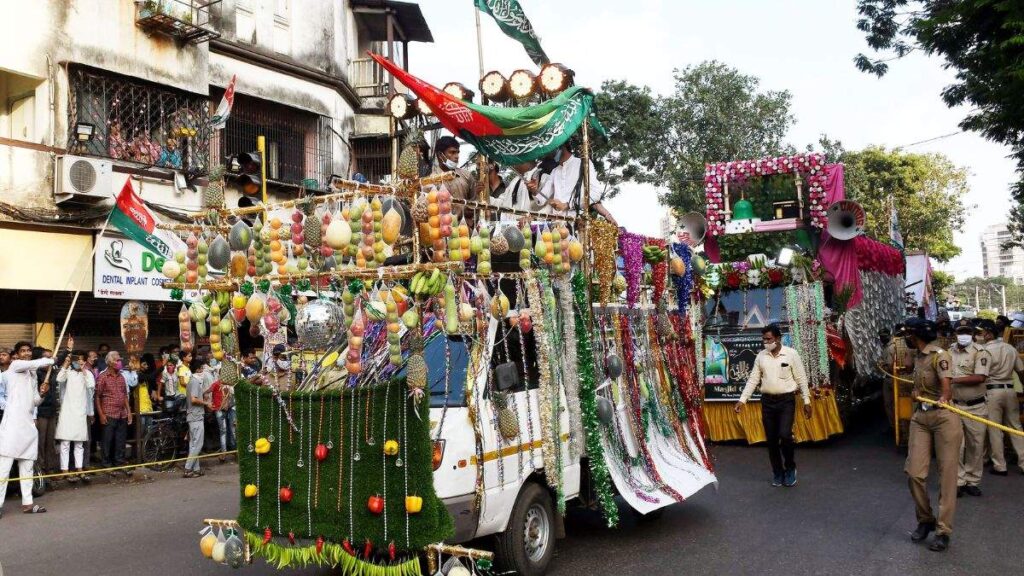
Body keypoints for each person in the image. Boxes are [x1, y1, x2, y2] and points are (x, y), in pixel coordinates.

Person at [902, 317, 960, 552]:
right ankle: (925, 519)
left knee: (946, 476)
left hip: (943, 417)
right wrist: (915, 393)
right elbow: (918, 384)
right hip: (921, 418)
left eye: (908, 333)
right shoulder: (917, 356)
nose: (906, 337)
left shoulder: (940, 355)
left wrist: (944, 397)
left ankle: (943, 530)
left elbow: (946, 385)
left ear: (916, 335)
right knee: (914, 473)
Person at [734, 324, 811, 487]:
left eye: (769, 339)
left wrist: (806, 401)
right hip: (768, 402)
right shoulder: (761, 356)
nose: (766, 342)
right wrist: (742, 400)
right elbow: (753, 379)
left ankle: (790, 468)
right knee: (772, 440)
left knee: (785, 435)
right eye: (764, 339)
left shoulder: (791, 354)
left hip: (786, 401)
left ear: (778, 338)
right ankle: (778, 472)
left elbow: (801, 379)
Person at [0, 341, 54, 517]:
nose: (26, 353)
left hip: (28, 427)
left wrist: (42, 393)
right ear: (17, 354)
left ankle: (28, 503)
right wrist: (54, 359)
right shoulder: (15, 366)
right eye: (22, 351)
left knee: (27, 468)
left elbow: (34, 402)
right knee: (4, 469)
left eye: (28, 351)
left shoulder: (32, 374)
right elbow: (39, 362)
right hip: (12, 426)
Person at [948, 320, 990, 497]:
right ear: (955, 334)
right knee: (956, 446)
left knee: (976, 446)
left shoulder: (981, 352)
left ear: (972, 334)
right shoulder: (948, 352)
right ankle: (958, 481)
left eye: (967, 331)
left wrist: (953, 380)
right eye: (960, 331)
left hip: (976, 407)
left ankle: (972, 481)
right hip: (954, 406)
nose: (963, 335)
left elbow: (980, 377)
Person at [976, 319, 1024, 476]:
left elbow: (980, 375)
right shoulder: (1010, 348)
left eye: (981, 332)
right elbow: (1021, 371)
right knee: (1016, 428)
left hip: (992, 391)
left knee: (994, 429)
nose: (979, 335)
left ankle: (1000, 465)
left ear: (988, 334)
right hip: (1010, 391)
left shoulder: (983, 351)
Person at [535, 143, 618, 225]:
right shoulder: (555, 171)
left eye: (549, 148)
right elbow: (542, 198)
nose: (546, 153)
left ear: (561, 146)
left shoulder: (583, 164)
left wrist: (567, 205)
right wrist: (533, 190)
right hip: (556, 225)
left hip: (577, 225)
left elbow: (594, 194)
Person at [55, 342, 94, 483]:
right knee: (65, 443)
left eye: (82, 359)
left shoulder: (87, 374)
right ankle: (64, 470)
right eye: (77, 359)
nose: (80, 362)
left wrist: (84, 370)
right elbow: (59, 378)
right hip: (67, 411)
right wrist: (65, 364)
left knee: (79, 443)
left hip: (80, 413)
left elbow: (91, 385)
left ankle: (79, 469)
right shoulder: (68, 373)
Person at [94, 351, 133, 476]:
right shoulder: (103, 377)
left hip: (122, 413)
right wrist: (101, 414)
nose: (119, 362)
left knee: (120, 440)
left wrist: (129, 411)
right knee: (107, 440)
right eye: (117, 360)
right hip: (109, 413)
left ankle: (119, 462)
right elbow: (97, 397)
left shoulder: (121, 377)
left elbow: (124, 395)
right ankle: (106, 464)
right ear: (110, 362)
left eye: (119, 360)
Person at [430, 135, 483, 223]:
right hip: (441, 231)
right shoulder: (431, 181)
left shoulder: (467, 176)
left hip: (464, 231)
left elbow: (475, 207)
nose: (457, 156)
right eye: (452, 152)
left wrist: (477, 193)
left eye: (458, 152)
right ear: (440, 155)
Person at [33, 347, 61, 474]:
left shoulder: (53, 372)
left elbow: (59, 360)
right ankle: (40, 470)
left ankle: (50, 468)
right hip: (40, 413)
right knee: (40, 442)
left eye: (51, 358)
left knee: (50, 442)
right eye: (47, 358)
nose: (50, 360)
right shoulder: (36, 374)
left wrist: (68, 349)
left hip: (52, 411)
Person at [184, 357, 211, 478]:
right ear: (198, 369)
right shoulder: (195, 381)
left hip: (193, 416)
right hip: (196, 416)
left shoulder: (192, 381)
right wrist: (206, 403)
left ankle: (196, 469)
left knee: (194, 444)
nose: (203, 372)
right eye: (202, 369)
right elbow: (194, 399)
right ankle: (188, 468)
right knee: (198, 444)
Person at [210, 377, 235, 462]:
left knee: (232, 430)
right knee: (224, 431)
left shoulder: (231, 383)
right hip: (220, 410)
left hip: (230, 408)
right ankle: (225, 452)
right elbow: (208, 391)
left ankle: (234, 450)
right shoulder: (217, 384)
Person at [137, 353, 158, 433]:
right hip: (140, 409)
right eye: (144, 364)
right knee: (141, 431)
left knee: (148, 431)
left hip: (148, 407)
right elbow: (151, 377)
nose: (147, 366)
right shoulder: (137, 376)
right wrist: (162, 366)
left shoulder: (145, 377)